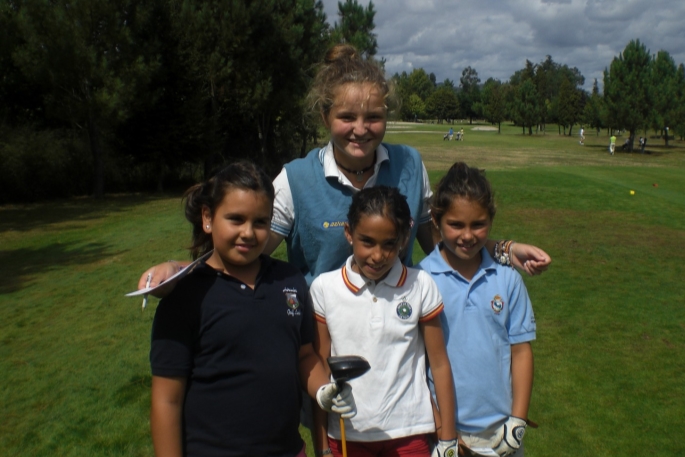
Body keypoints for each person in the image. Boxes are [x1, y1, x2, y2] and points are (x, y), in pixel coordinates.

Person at [137, 44, 550, 293]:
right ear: (324, 116)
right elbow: (242, 252)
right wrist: (181, 270)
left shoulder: (408, 163)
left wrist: (504, 250)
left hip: (399, 336)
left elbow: (444, 243)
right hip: (324, 340)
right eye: (347, 116)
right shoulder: (295, 179)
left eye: (373, 117)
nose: (360, 130)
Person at [149, 162, 357, 457]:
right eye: (235, 219)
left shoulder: (289, 280)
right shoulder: (185, 295)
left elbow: (304, 355)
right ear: (208, 218)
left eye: (261, 222)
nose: (248, 232)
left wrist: (322, 389)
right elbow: (167, 399)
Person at [312, 186, 458, 457]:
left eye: (390, 244)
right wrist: (322, 450)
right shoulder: (324, 289)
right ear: (349, 233)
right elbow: (319, 368)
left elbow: (439, 363)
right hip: (348, 432)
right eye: (367, 241)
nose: (378, 255)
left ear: (405, 238)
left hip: (409, 428)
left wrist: (448, 437)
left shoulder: (421, 285)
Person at [418, 163, 536, 457]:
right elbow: (414, 365)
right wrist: (443, 429)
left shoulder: (507, 279)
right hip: (445, 435)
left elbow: (521, 352)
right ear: (437, 222)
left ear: (491, 221)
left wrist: (518, 419)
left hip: (501, 434)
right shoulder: (421, 280)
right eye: (455, 224)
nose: (468, 236)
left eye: (478, 225)